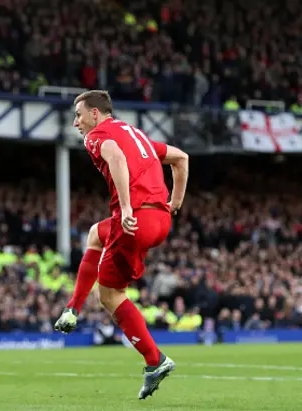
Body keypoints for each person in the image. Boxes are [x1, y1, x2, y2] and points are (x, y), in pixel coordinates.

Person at [54, 90, 189, 400]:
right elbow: (181, 158)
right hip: (161, 221)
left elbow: (113, 155)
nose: (77, 122)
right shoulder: (137, 134)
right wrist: (175, 203)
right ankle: (72, 309)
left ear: (95, 114)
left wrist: (126, 207)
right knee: (95, 234)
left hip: (135, 220)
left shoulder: (97, 135)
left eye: (79, 115)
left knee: (110, 294)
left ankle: (155, 361)